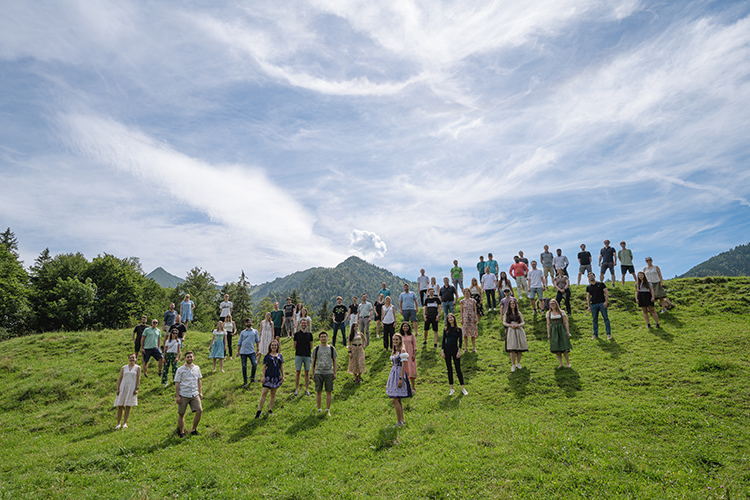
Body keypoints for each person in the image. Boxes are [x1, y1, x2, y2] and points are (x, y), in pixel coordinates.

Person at [386, 333, 413, 427]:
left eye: (397, 339)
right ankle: (402, 420)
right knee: (397, 399)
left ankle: (399, 421)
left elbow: (404, 365)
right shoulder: (394, 351)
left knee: (395, 399)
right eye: (393, 340)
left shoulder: (402, 350)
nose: (395, 341)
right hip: (393, 374)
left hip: (399, 374)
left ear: (400, 340)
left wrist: (401, 378)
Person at [174, 351, 203, 437]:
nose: (190, 358)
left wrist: (200, 392)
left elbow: (199, 380)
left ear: (193, 358)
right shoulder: (180, 370)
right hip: (183, 394)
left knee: (199, 410)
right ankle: (182, 432)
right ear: (185, 358)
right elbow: (177, 383)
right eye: (188, 357)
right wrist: (177, 396)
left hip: (194, 393)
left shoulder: (197, 368)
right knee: (181, 413)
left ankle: (194, 429)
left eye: (191, 357)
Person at [255, 339, 284, 418]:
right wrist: (263, 376)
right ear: (270, 346)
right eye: (272, 345)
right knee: (264, 392)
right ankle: (259, 410)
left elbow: (281, 366)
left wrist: (283, 376)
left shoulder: (280, 355)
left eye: (275, 345)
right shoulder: (267, 356)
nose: (274, 346)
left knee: (273, 393)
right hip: (268, 376)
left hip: (276, 376)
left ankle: (270, 409)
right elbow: (264, 367)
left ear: (277, 346)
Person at [441, 313, 468, 395]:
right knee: (449, 369)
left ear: (454, 318)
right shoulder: (446, 329)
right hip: (447, 349)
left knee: (458, 369)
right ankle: (451, 389)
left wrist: (459, 351)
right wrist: (442, 351)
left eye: (451, 317)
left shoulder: (458, 329)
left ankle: (463, 388)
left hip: (455, 349)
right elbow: (443, 340)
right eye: (448, 318)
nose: (450, 319)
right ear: (447, 320)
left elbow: (460, 341)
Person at [312, 332, 337, 415]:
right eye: (321, 337)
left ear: (327, 338)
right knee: (318, 391)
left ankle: (327, 410)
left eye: (324, 336)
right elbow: (313, 362)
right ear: (319, 338)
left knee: (328, 391)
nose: (323, 338)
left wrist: (335, 372)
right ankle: (319, 409)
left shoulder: (331, 348)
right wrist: (312, 373)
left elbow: (334, 361)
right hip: (318, 372)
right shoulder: (316, 348)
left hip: (329, 372)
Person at [114, 353, 140, 429]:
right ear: (128, 359)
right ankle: (118, 423)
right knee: (120, 405)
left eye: (133, 358)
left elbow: (138, 378)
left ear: (136, 359)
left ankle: (124, 423)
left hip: (131, 387)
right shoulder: (123, 368)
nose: (132, 359)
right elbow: (120, 378)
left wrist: (136, 388)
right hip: (123, 387)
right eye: (130, 358)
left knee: (128, 405)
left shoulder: (137, 368)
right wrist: (118, 388)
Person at [503, 299, 528, 372]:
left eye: (513, 303)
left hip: (519, 330)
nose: (512, 304)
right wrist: (510, 325)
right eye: (511, 303)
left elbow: (523, 322)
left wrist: (519, 325)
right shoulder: (507, 313)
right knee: (512, 347)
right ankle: (513, 364)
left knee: (519, 347)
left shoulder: (519, 313)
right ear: (509, 305)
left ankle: (518, 363)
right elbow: (504, 323)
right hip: (511, 330)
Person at [546, 299, 572, 368]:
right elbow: (548, 324)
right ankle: (561, 363)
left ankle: (568, 363)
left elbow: (566, 322)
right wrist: (548, 334)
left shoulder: (561, 312)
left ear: (556, 304)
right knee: (556, 347)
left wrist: (567, 331)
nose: (552, 304)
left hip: (561, 329)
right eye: (551, 303)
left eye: (553, 303)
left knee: (564, 347)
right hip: (553, 330)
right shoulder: (548, 313)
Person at [586, 273, 611, 340]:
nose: (591, 277)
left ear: (594, 276)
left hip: (602, 303)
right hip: (593, 305)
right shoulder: (589, 287)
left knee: (605, 318)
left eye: (592, 276)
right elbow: (588, 297)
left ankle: (608, 334)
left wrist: (606, 302)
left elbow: (606, 293)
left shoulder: (601, 284)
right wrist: (588, 306)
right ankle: (595, 334)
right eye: (589, 276)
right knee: (594, 320)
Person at [293, 318, 314, 396]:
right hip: (298, 355)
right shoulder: (297, 334)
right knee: (298, 372)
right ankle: (296, 389)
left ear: (307, 324)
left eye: (305, 323)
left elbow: (311, 345)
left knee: (307, 372)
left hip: (307, 355)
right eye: (302, 323)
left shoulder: (310, 334)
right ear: (300, 324)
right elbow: (294, 345)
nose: (303, 324)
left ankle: (307, 389)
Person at [238, 318, 260, 388]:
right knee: (244, 366)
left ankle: (252, 378)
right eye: (247, 322)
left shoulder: (255, 331)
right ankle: (245, 381)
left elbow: (257, 341)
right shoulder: (242, 332)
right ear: (245, 324)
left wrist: (258, 349)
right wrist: (238, 351)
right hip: (243, 351)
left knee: (254, 364)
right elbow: (239, 342)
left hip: (252, 351)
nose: (249, 323)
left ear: (252, 323)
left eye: (250, 322)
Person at [399, 322, 418, 391]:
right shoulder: (400, 336)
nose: (405, 328)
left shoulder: (412, 335)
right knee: (403, 371)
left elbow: (414, 344)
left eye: (407, 326)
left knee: (412, 370)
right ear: (402, 328)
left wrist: (414, 354)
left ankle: (413, 387)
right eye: (404, 326)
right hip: (402, 355)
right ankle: (405, 387)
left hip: (410, 354)